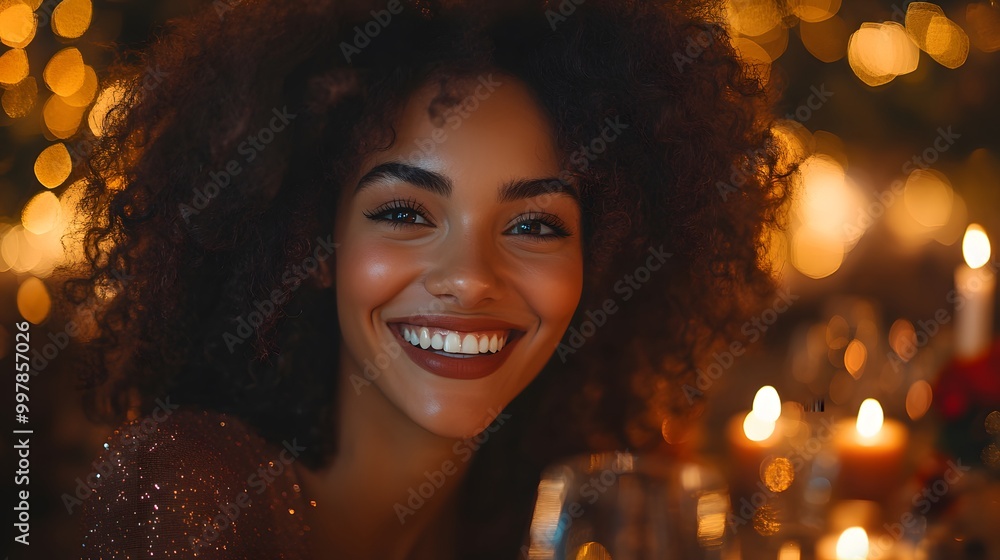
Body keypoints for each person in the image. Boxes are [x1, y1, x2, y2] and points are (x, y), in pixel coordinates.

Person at [58, 0, 790, 557]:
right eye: (406, 211)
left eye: (535, 225)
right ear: (314, 246)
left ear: (600, 263)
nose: (470, 280)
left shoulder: (570, 516)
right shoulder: (191, 493)